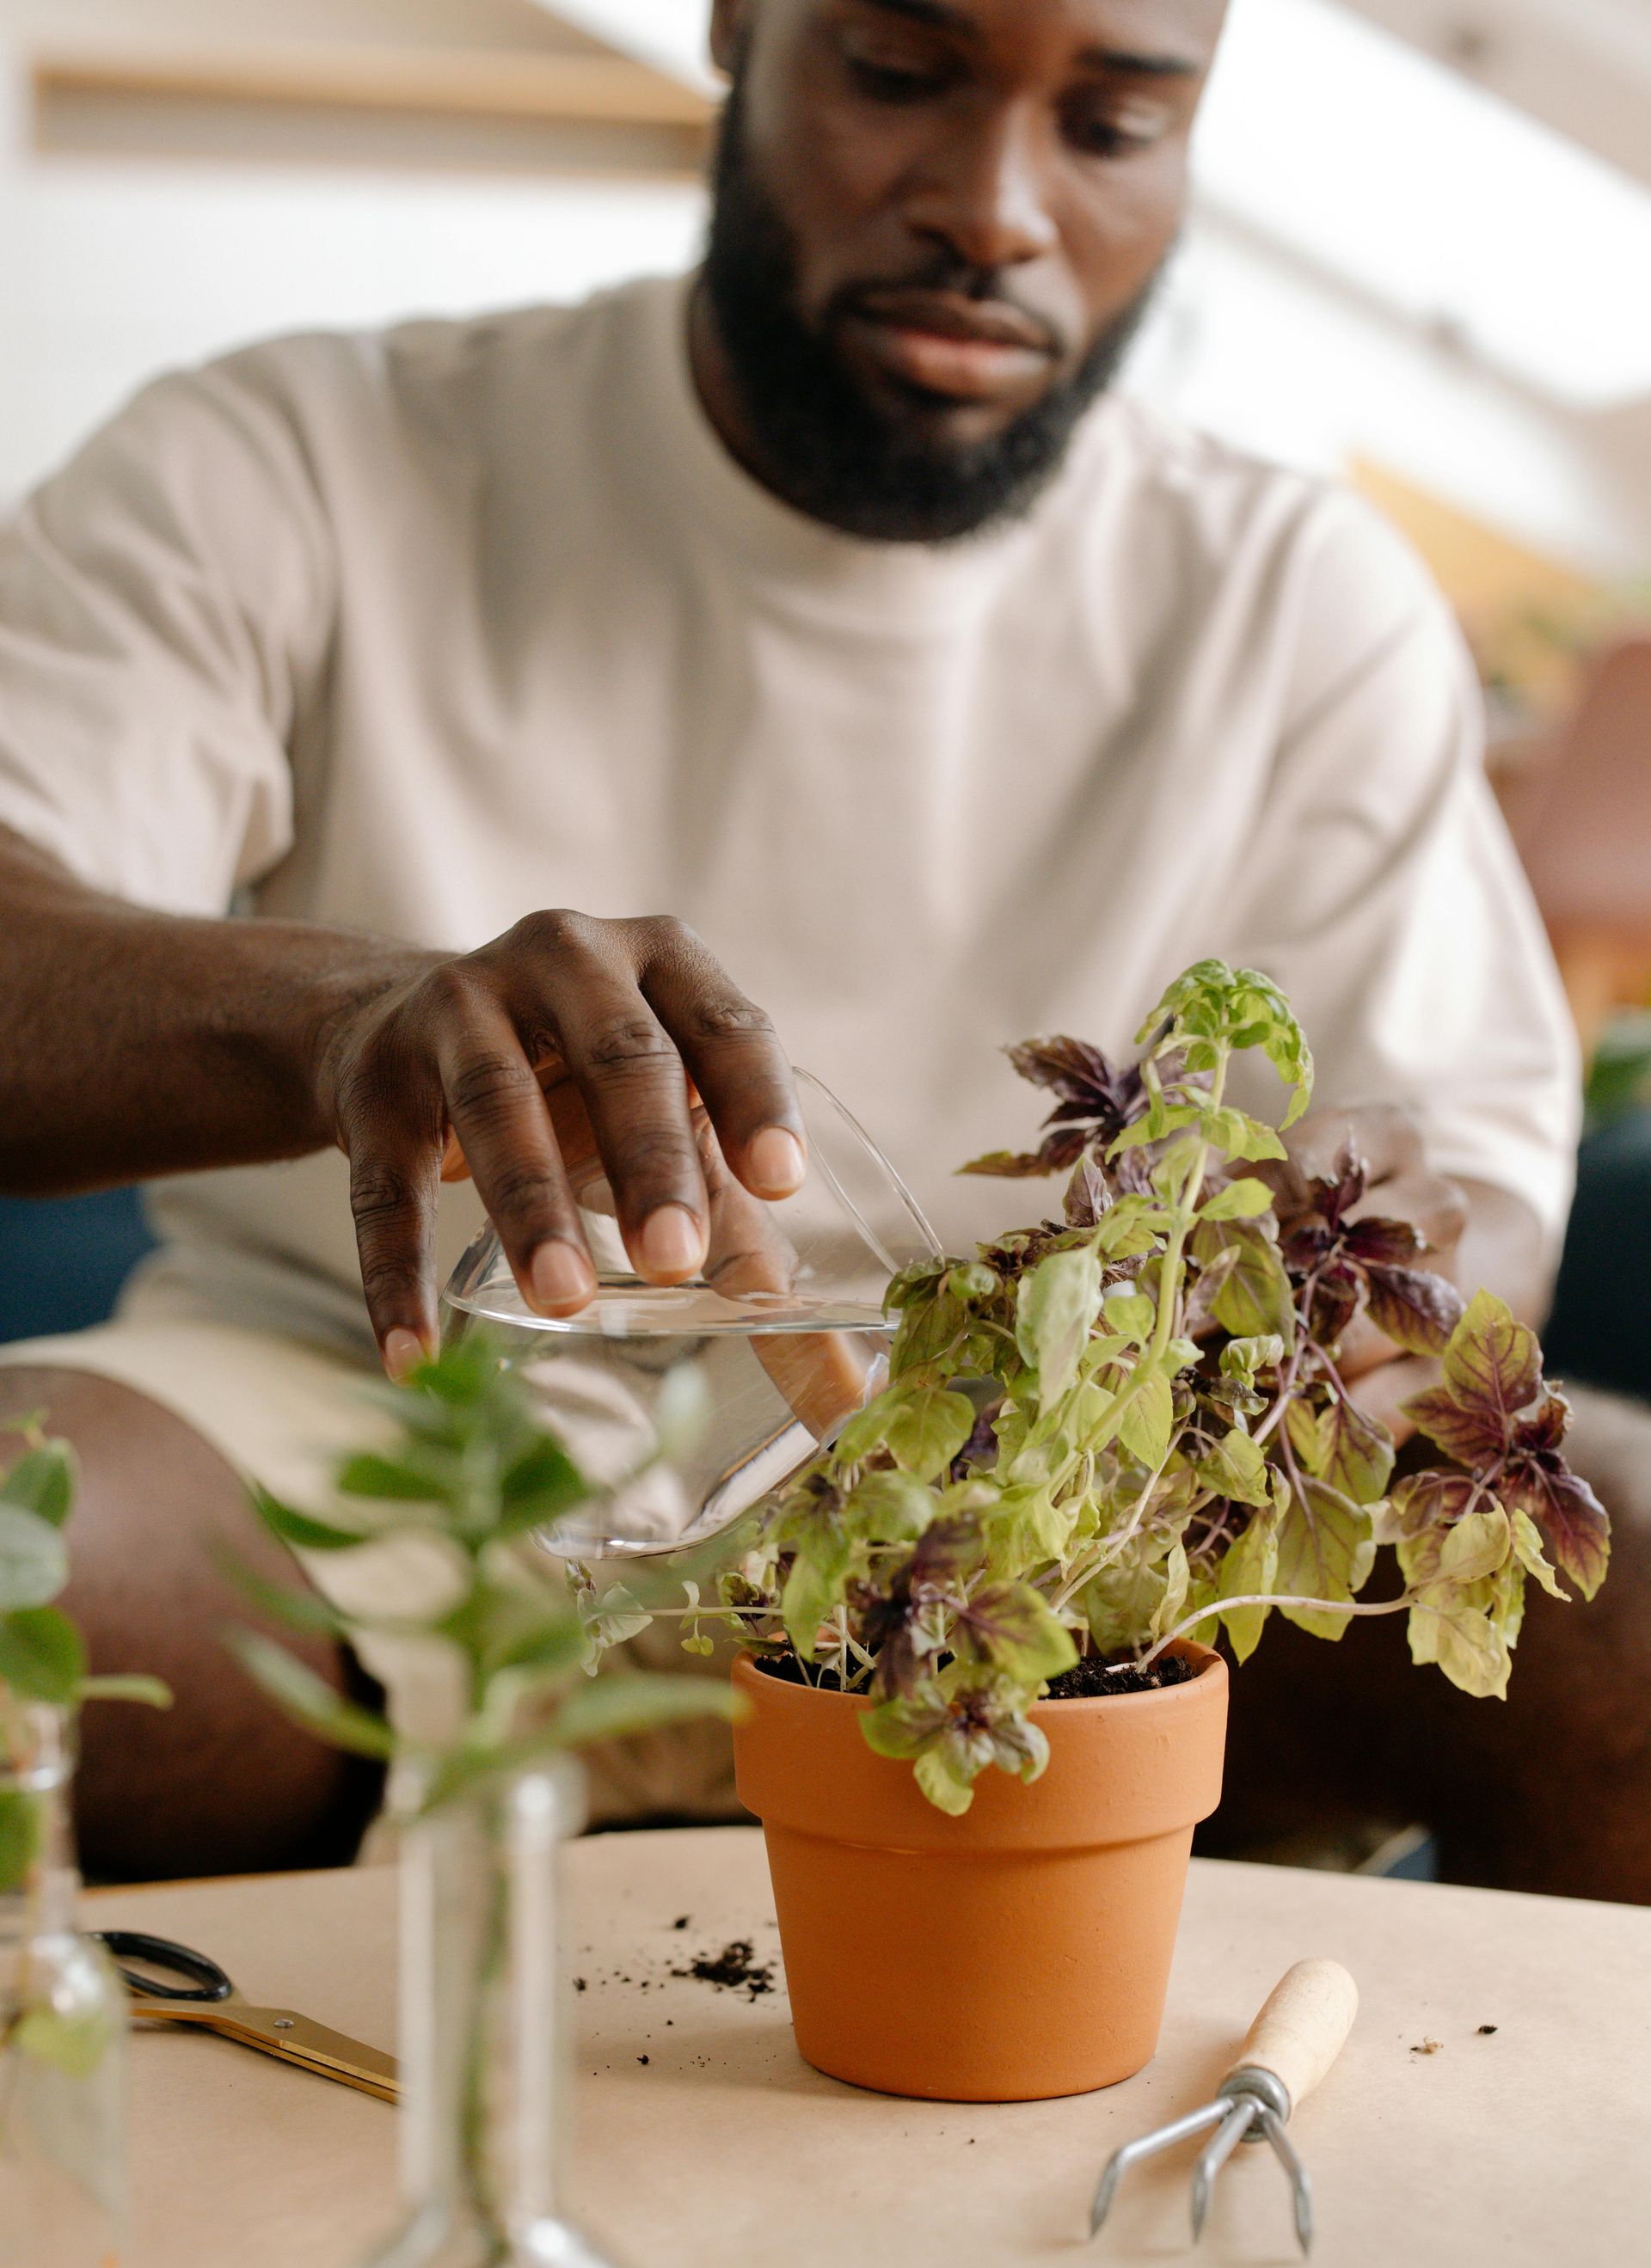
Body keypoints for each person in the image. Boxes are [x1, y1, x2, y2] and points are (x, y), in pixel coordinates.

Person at [0, 0, 1629, 1893]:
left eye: (1110, 123)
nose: (994, 207)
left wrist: (1315, 1322)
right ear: (736, 32)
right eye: (899, 71)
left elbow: (1467, 1214)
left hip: (1045, 1531)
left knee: (1636, 1614)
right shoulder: (298, 453)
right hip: (358, 1464)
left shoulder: (1296, 599)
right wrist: (339, 1013)